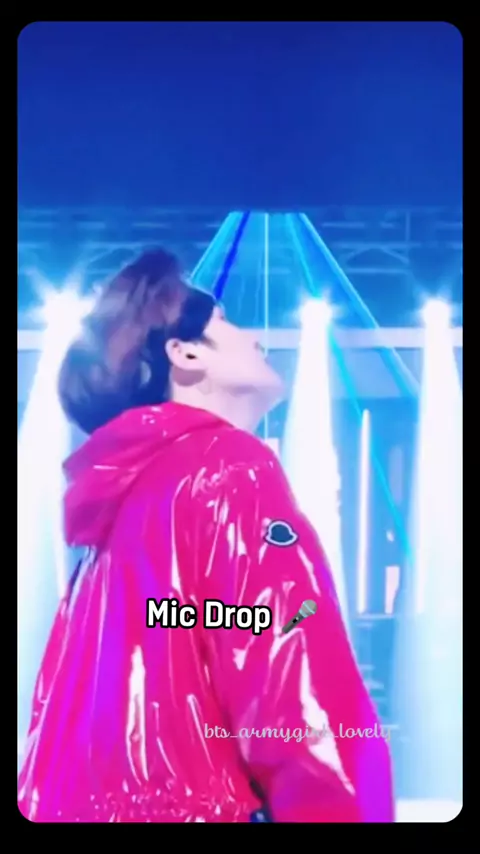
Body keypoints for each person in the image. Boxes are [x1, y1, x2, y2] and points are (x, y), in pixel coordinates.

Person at [18, 249, 394, 823]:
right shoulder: (229, 468)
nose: (254, 337)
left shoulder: (111, 525)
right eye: (225, 321)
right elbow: (291, 678)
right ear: (186, 353)